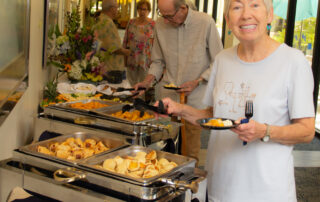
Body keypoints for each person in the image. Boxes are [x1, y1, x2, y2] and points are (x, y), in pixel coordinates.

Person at [158, 0, 315, 201]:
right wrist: (179, 109)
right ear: (227, 19)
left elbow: (307, 131)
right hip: (221, 186)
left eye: (255, 5)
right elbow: (213, 118)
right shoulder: (223, 60)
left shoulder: (293, 61)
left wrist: (264, 131)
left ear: (269, 15)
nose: (246, 14)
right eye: (237, 7)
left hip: (268, 191)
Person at [133, 0, 223, 162]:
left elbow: (218, 61)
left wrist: (198, 80)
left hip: (195, 99)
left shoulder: (205, 23)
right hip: (169, 97)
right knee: (165, 150)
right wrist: (146, 82)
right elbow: (158, 62)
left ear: (182, 8)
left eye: (169, 16)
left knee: (191, 152)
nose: (165, 20)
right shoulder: (160, 25)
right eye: (162, 15)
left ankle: (187, 185)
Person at [122, 0, 155, 86]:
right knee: (130, 84)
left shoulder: (153, 24)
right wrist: (124, 58)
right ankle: (129, 99)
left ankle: (140, 100)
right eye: (140, 9)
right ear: (137, 10)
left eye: (145, 9)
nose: (142, 11)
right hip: (132, 58)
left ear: (149, 11)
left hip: (145, 60)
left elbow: (155, 43)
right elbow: (125, 40)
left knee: (143, 85)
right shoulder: (131, 22)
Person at [94, 0, 130, 74]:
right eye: (117, 8)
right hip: (111, 67)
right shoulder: (108, 23)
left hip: (100, 64)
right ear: (112, 9)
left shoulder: (99, 19)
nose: (117, 10)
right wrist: (130, 52)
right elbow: (115, 48)